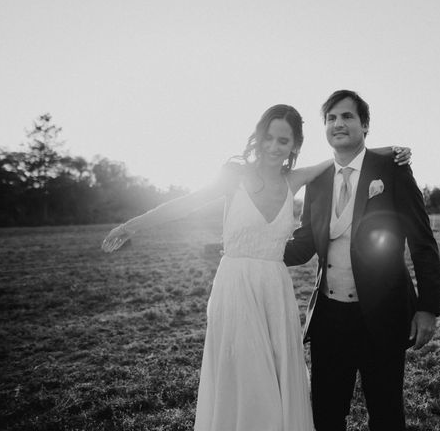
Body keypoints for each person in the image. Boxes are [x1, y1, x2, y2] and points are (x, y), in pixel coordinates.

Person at [101, 104, 412, 431]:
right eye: (269, 138)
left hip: (275, 293)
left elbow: (346, 159)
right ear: (258, 138)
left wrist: (390, 151)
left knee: (276, 378)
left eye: (283, 141)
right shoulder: (234, 178)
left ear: (294, 145)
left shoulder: (295, 180)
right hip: (235, 288)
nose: (274, 147)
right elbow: (185, 204)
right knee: (246, 377)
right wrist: (132, 225)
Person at [284, 90, 440, 431]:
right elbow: (305, 243)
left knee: (385, 414)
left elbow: (422, 242)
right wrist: (255, 250)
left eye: (347, 116)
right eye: (331, 118)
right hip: (329, 320)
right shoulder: (319, 180)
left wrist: (428, 307)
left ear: (365, 125)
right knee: (325, 413)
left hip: (382, 317)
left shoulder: (393, 170)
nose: (338, 123)